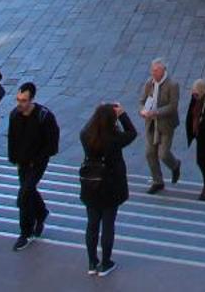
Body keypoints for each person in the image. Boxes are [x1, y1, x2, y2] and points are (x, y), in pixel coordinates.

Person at [77, 100, 138, 276]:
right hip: (110, 185)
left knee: (92, 224)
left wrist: (99, 111)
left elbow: (89, 126)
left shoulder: (86, 135)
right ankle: (105, 262)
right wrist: (122, 114)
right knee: (108, 224)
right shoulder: (114, 139)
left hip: (90, 183)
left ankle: (91, 261)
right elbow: (132, 133)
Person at [7, 82, 61, 249]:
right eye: (18, 99)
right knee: (28, 189)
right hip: (22, 162)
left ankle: (26, 232)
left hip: (37, 162)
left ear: (32, 100)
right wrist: (14, 157)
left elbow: (52, 144)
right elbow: (12, 138)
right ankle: (41, 212)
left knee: (24, 194)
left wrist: (37, 158)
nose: (20, 104)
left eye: (23, 100)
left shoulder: (44, 117)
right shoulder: (15, 115)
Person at [136, 59, 181, 194]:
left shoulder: (172, 85)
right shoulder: (149, 83)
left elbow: (173, 107)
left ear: (163, 71)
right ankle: (157, 181)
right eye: (152, 70)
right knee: (150, 153)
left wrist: (156, 112)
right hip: (151, 124)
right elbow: (141, 101)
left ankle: (175, 165)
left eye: (156, 71)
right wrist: (142, 111)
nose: (153, 73)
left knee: (163, 154)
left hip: (165, 124)